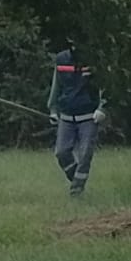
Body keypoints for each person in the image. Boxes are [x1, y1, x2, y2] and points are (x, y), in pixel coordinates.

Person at [46, 42, 105, 196]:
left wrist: (102, 108)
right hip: (66, 116)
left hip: (88, 117)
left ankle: (76, 191)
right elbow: (56, 85)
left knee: (85, 154)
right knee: (61, 152)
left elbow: (104, 86)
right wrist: (53, 109)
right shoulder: (61, 59)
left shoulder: (95, 59)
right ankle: (76, 179)